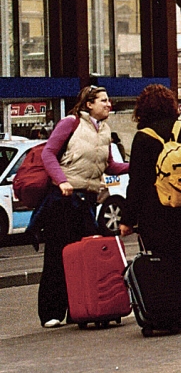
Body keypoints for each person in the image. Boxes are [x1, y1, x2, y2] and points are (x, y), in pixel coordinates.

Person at [118, 84, 181, 328]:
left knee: (162, 263)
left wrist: (127, 219)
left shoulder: (143, 137)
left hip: (156, 213)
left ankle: (168, 312)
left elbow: (137, 183)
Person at [36, 85, 130, 328]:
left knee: (86, 256)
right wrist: (62, 181)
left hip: (87, 199)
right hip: (64, 198)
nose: (109, 105)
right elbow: (48, 154)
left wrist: (136, 165)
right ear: (89, 104)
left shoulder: (105, 130)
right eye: (103, 101)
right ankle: (51, 312)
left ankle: (80, 308)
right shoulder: (71, 123)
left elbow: (110, 165)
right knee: (59, 254)